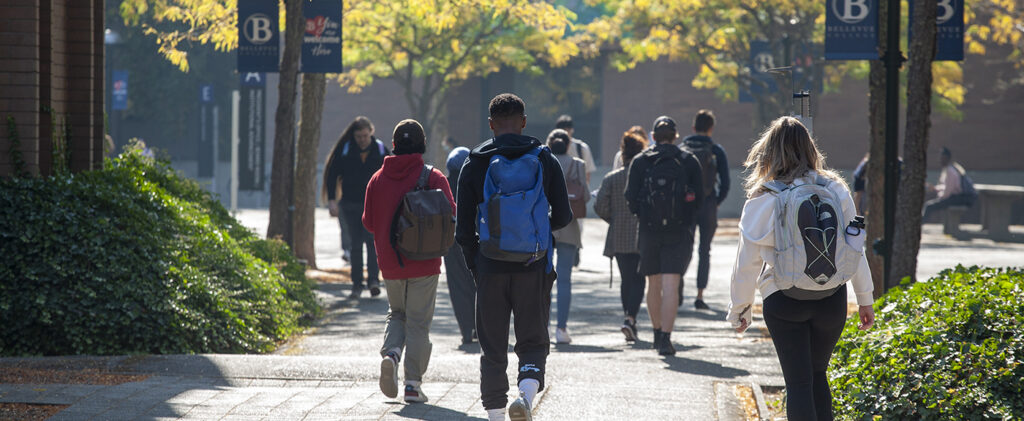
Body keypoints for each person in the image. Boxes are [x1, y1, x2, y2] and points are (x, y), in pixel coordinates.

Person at [727, 116, 875, 421]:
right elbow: (853, 246)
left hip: (784, 299)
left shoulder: (765, 196)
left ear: (768, 152)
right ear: (810, 149)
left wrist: (740, 309)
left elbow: (748, 261)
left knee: (798, 382)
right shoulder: (836, 189)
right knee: (818, 375)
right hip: (832, 297)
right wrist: (865, 298)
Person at [457, 93, 572, 421]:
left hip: (490, 267)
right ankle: (524, 395)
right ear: (523, 122)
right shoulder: (544, 159)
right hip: (533, 267)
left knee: (492, 348)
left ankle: (495, 414)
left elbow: (463, 230)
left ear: (491, 124)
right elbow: (563, 216)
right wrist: (536, 231)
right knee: (533, 339)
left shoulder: (475, 162)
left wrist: (476, 265)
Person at [362, 119, 454, 403]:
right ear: (423, 145)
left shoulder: (377, 179)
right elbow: (451, 215)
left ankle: (391, 354)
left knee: (396, 313)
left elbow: (368, 223)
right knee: (418, 323)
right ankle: (412, 384)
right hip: (424, 263)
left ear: (393, 145)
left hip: (389, 263)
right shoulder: (434, 177)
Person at [624, 115, 703, 356]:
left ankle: (657, 333)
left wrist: (644, 216)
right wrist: (686, 221)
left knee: (653, 283)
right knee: (672, 284)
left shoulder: (640, 161)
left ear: (654, 137)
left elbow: (631, 197)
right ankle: (666, 340)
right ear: (676, 136)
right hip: (679, 231)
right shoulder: (688, 161)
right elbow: (699, 197)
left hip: (649, 230)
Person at [323, 116, 389, 299]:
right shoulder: (345, 151)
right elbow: (332, 175)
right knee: (355, 245)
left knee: (372, 243)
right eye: (359, 136)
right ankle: (357, 284)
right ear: (354, 135)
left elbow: (392, 174)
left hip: (374, 206)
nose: (362, 140)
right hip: (350, 205)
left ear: (371, 133)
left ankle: (374, 281)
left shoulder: (381, 150)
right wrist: (331, 200)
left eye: (365, 136)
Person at [595, 130, 648, 342]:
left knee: (626, 279)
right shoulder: (646, 176)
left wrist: (613, 219)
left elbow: (600, 206)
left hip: (618, 235)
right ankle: (631, 319)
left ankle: (628, 317)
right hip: (642, 233)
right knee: (639, 279)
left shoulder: (611, 178)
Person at [679, 109, 730, 310]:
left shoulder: (683, 148)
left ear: (693, 127)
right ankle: (700, 296)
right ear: (711, 128)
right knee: (704, 251)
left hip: (686, 206)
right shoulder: (716, 150)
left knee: (684, 248)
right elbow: (725, 182)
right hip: (708, 205)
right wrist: (716, 201)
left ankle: (678, 291)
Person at [546, 129, 587, 345]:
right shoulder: (578, 164)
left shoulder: (541, 162)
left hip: (545, 226)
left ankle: (543, 326)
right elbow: (586, 195)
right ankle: (561, 329)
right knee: (564, 280)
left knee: (543, 279)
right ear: (569, 144)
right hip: (569, 226)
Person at [445, 146, 477, 345]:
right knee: (478, 283)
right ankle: (480, 326)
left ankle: (466, 328)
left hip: (450, 240)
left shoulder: (444, 185)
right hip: (476, 239)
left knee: (457, 285)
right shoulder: (477, 183)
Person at [923, 147, 976, 222]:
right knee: (930, 205)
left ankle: (920, 224)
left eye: (941, 158)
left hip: (960, 199)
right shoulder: (952, 168)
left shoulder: (950, 171)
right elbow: (948, 187)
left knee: (929, 206)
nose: (939, 160)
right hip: (960, 198)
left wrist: (939, 196)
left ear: (946, 158)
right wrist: (937, 189)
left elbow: (948, 192)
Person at [555, 114, 596, 183]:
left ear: (572, 130)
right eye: (563, 130)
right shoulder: (550, 148)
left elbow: (587, 174)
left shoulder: (582, 148)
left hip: (576, 191)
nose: (565, 133)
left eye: (567, 130)